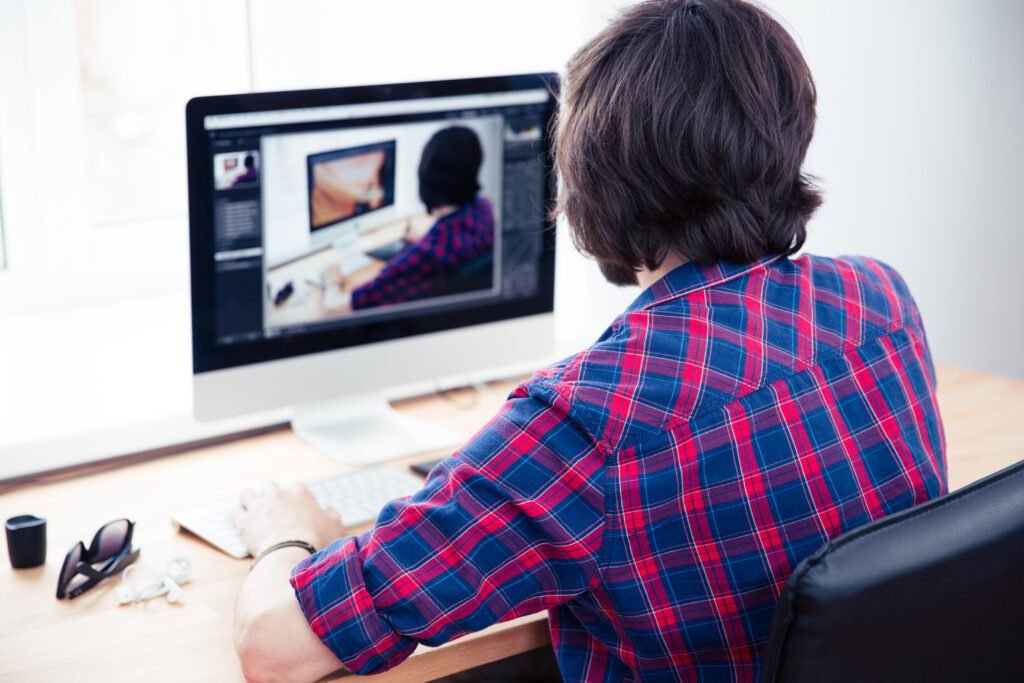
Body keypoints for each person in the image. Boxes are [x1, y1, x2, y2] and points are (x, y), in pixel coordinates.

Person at [231, 1, 947, 681]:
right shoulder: (880, 303)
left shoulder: (582, 428)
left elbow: (275, 647)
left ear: (593, 180)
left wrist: (285, 535)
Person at [322, 126, 495, 314]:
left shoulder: (423, 258)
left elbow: (339, 307)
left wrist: (332, 279)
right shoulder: (484, 209)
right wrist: (424, 240)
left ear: (425, 177)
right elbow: (452, 243)